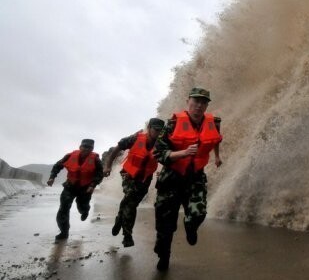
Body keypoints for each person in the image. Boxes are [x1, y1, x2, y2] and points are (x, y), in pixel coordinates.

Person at [153, 87, 223, 271]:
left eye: (203, 102)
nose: (199, 106)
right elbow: (158, 153)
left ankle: (190, 226)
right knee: (165, 226)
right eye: (196, 101)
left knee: (199, 213)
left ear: (207, 105)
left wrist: (217, 156)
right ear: (188, 102)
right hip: (171, 178)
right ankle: (164, 255)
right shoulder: (172, 124)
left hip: (195, 177)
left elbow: (215, 140)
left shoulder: (213, 122)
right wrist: (182, 153)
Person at [103, 117, 165, 247]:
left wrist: (163, 173)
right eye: (155, 130)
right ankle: (127, 236)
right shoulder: (136, 138)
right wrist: (108, 165)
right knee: (130, 202)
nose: (158, 133)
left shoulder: (161, 144)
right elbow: (118, 147)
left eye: (160, 130)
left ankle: (120, 219)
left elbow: (167, 158)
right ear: (149, 128)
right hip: (128, 174)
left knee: (132, 202)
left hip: (145, 178)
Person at [47, 139, 104, 241]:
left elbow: (100, 174)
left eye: (89, 148)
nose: (86, 149)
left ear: (92, 149)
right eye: (84, 147)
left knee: (82, 206)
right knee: (63, 208)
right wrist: (52, 177)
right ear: (80, 147)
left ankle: (85, 211)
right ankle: (64, 232)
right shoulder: (69, 156)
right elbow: (57, 166)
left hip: (86, 188)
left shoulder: (95, 160)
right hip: (70, 186)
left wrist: (93, 185)